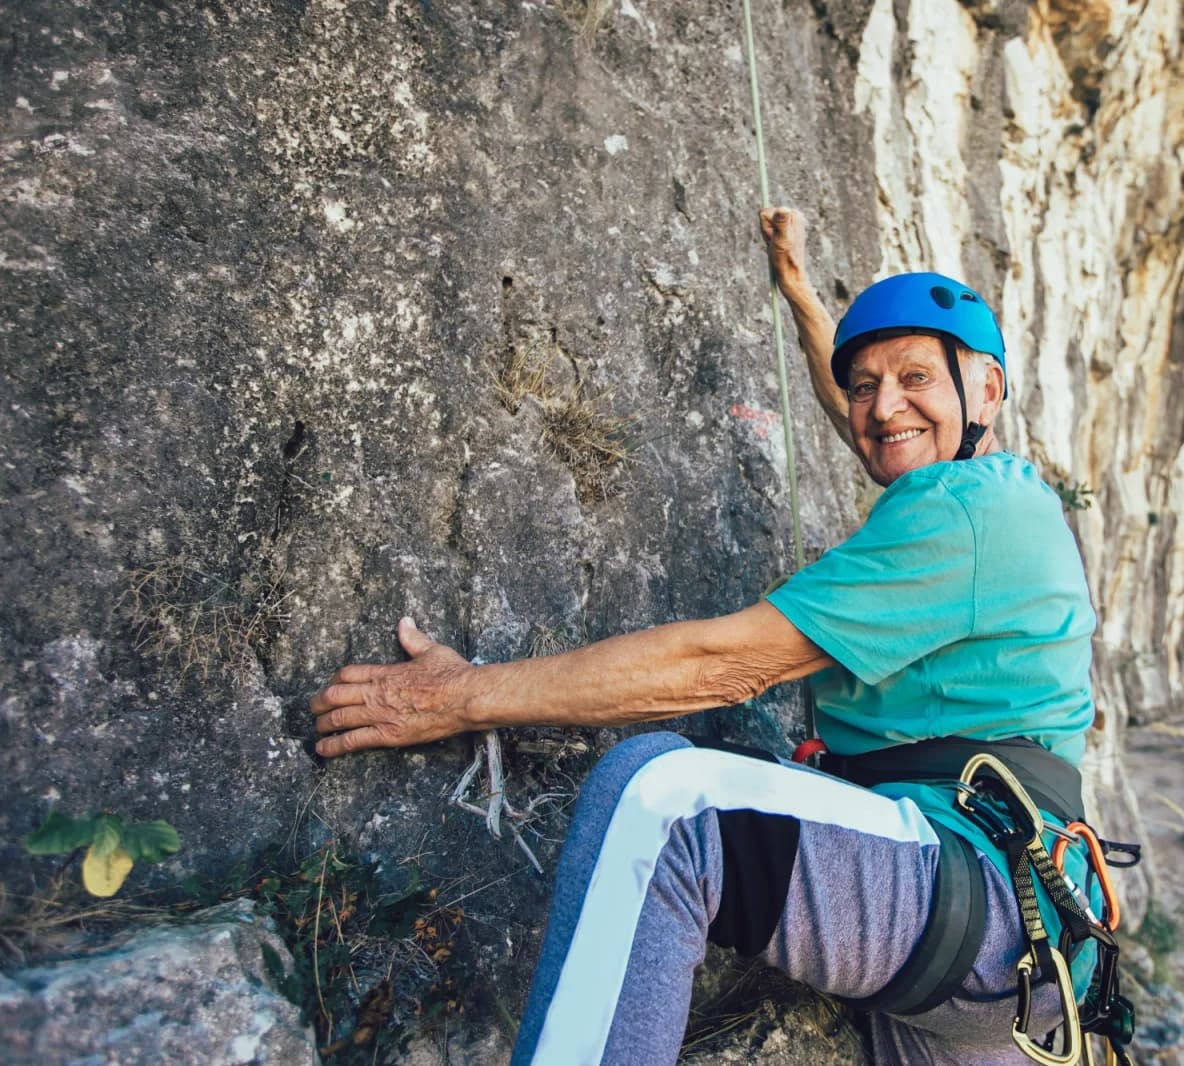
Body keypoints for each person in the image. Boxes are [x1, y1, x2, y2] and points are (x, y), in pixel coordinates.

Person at [309, 208, 1105, 1065]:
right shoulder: (992, 493)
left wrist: (459, 696)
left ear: (987, 389)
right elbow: (876, 426)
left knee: (660, 801)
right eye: (864, 381)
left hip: (973, 899)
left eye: (915, 374)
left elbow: (722, 666)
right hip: (1028, 950)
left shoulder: (968, 512)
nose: (883, 406)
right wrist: (800, 294)